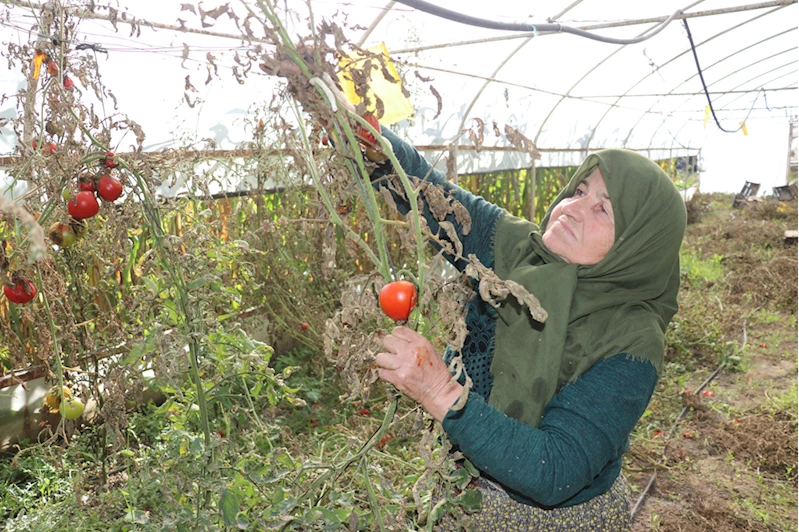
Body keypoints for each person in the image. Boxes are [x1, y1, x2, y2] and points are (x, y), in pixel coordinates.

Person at [370, 125, 687, 530]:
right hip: (462, 486)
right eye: (579, 191)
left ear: (636, 244)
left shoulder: (632, 341)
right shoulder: (521, 251)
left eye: (603, 208)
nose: (573, 207)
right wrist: (375, 144)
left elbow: (553, 468)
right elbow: (437, 201)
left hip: (550, 519)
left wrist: (439, 390)